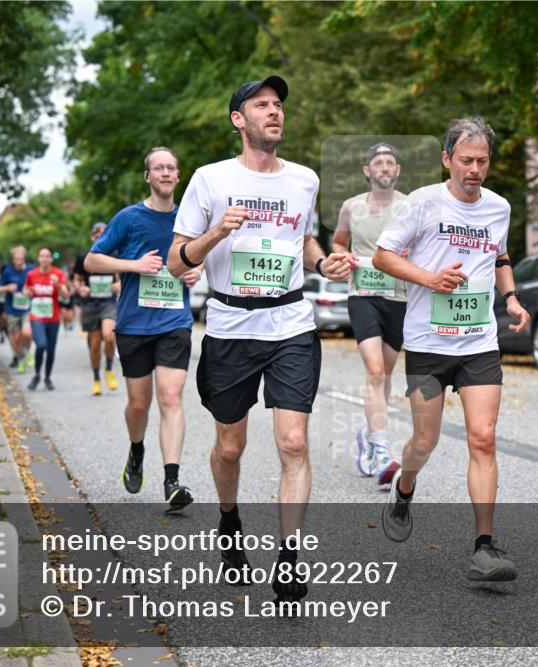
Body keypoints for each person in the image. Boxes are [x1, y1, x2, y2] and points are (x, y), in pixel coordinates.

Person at [168, 75, 353, 603]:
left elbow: (305, 239)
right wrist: (217, 233)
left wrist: (324, 262)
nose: (274, 112)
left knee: (293, 442)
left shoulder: (304, 180)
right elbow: (181, 258)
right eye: (262, 105)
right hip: (230, 327)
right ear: (238, 119)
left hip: (291, 323)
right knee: (230, 445)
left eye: (278, 105)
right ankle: (229, 525)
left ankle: (290, 558)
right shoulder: (208, 179)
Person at [372, 116, 531, 581]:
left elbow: (498, 255)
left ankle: (484, 545)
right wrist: (430, 278)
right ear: (447, 160)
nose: (475, 169)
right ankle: (405, 487)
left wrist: (512, 298)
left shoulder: (498, 207)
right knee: (425, 440)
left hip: (479, 341)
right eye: (466, 160)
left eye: (482, 160)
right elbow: (384, 255)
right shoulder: (423, 204)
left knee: (483, 438)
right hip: (425, 344)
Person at [85, 147, 200, 514]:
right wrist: (132, 265)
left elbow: (204, 257)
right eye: (158, 168)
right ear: (147, 176)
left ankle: (171, 480)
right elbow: (91, 260)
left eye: (171, 167)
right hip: (134, 323)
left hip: (174, 323)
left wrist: (197, 272)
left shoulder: (190, 220)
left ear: (178, 176)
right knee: (139, 403)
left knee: (170, 398)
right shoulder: (128, 218)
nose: (165, 173)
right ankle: (136, 449)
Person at [332, 142, 408, 487]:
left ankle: (368, 432)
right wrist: (343, 256)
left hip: (399, 295)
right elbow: (337, 242)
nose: (384, 167)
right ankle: (380, 450)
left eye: (390, 162)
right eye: (378, 162)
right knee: (375, 371)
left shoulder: (411, 207)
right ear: (367, 170)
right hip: (362, 293)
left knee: (386, 372)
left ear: (398, 170)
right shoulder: (351, 207)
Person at [75, 222, 121, 396]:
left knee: (109, 335)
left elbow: (120, 278)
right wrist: (81, 288)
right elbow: (77, 280)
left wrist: (118, 285)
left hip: (109, 302)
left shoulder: (114, 254)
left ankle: (109, 368)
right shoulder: (84, 256)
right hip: (91, 304)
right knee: (94, 344)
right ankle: (96, 378)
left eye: (103, 234)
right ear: (92, 237)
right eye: (96, 234)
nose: (99, 237)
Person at [22, 248, 69, 390]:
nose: (44, 259)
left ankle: (47, 377)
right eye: (42, 256)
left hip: (53, 317)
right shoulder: (31, 274)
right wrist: (27, 292)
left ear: (51, 259)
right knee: (41, 345)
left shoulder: (58, 274)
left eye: (47, 256)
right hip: (36, 317)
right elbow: (25, 290)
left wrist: (58, 285)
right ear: (38, 259)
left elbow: (66, 295)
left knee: (50, 349)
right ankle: (37, 375)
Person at [0, 246, 34, 373]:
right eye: (16, 259)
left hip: (27, 308)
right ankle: (21, 358)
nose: (19, 261)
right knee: (16, 338)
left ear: (24, 258)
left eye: (21, 258)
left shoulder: (30, 269)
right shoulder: (8, 271)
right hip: (12, 309)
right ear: (13, 259)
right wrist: (8, 287)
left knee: (27, 333)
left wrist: (31, 291)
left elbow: (37, 284)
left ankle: (27, 351)